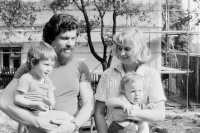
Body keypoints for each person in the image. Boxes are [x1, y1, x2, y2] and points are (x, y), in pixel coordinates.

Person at [0, 14, 94, 133]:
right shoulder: (31, 66)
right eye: (64, 38)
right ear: (50, 39)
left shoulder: (80, 66)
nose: (70, 44)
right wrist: (38, 122)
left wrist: (73, 125)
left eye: (73, 38)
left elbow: (89, 104)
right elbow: (4, 102)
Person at [94, 27, 166, 133]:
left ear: (139, 48)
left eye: (127, 49)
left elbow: (159, 114)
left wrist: (127, 113)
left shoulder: (151, 75)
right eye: (119, 48)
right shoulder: (108, 75)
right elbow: (99, 112)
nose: (122, 53)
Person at [14, 42, 74, 122]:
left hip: (45, 112)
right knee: (66, 118)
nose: (49, 69)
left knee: (69, 119)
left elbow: (51, 97)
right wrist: (35, 104)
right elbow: (17, 99)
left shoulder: (47, 80)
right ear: (33, 62)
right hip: (31, 114)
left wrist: (50, 102)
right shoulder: (26, 78)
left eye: (51, 65)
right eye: (46, 64)